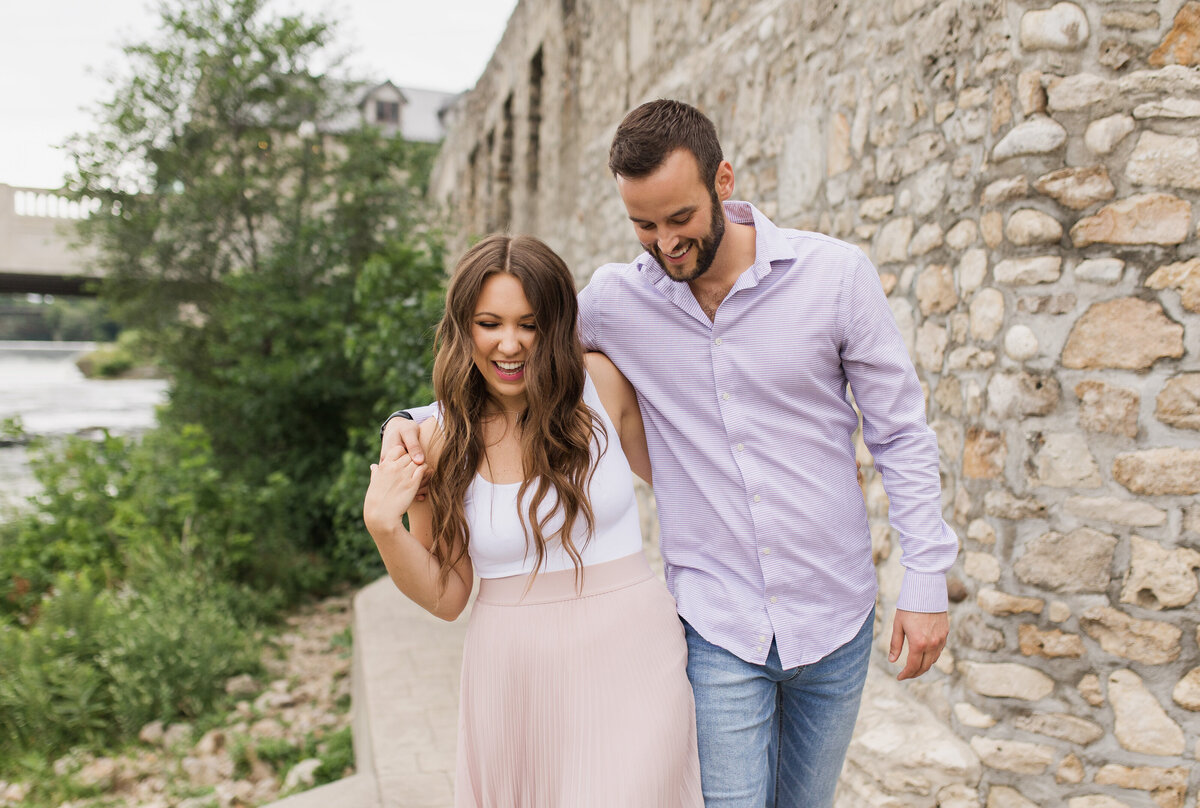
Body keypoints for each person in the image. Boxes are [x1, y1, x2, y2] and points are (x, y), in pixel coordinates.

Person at [383, 100, 958, 807]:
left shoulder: (835, 277)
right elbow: (515, 353)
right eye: (643, 225)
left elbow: (900, 432)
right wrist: (412, 420)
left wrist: (927, 579)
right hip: (716, 621)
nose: (665, 243)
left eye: (679, 219)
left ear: (723, 181)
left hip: (836, 611)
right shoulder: (617, 302)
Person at [363, 233, 703, 807]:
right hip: (513, 679)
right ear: (462, 328)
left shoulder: (605, 385)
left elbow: (691, 481)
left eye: (530, 323)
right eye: (489, 323)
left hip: (635, 655)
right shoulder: (440, 441)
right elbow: (446, 596)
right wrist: (382, 526)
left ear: (557, 325)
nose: (510, 344)